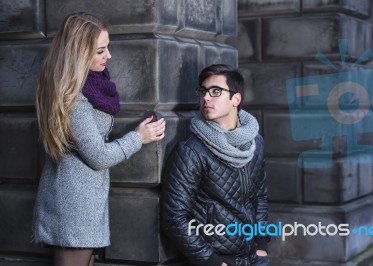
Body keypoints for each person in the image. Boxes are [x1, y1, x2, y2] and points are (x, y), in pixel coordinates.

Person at [32, 12, 166, 266]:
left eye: (107, 48)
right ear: (79, 54)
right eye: (100, 51)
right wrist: (139, 138)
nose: (109, 56)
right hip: (75, 206)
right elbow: (98, 156)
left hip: (82, 200)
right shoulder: (74, 99)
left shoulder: (87, 85)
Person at [161, 64, 269, 266]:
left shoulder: (256, 143)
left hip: (253, 256)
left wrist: (262, 245)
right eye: (203, 91)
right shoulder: (191, 151)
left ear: (236, 99)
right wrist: (212, 261)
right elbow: (174, 217)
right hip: (217, 259)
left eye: (216, 91)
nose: (206, 97)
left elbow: (260, 197)